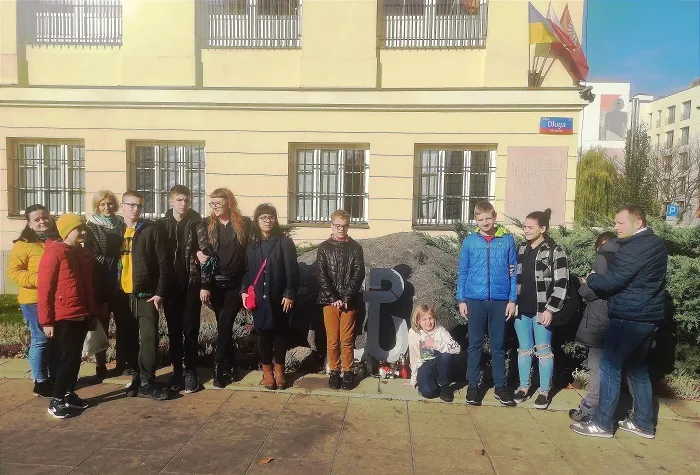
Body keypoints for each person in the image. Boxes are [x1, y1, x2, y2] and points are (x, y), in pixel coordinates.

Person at [571, 206, 668, 439]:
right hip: (649, 317)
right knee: (637, 370)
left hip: (628, 317)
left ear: (638, 222)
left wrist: (591, 278)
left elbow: (611, 282)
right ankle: (643, 423)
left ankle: (602, 423)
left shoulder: (632, 249)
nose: (615, 228)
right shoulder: (657, 244)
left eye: (620, 223)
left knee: (609, 367)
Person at [38, 214, 99, 418]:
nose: (82, 232)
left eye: (84, 228)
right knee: (66, 359)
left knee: (75, 358)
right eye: (77, 228)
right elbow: (45, 290)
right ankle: (56, 400)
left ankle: (68, 394)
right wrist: (47, 321)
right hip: (64, 316)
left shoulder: (82, 254)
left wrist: (92, 313)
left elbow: (89, 287)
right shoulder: (55, 253)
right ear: (66, 231)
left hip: (81, 314)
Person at [457, 201, 517, 407]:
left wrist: (512, 300)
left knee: (498, 346)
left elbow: (514, 273)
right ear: (476, 220)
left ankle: (500, 387)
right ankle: (473, 385)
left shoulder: (507, 240)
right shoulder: (470, 242)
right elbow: (463, 271)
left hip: (500, 301)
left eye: (488, 218)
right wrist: (461, 299)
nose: (485, 222)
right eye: (480, 219)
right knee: (475, 345)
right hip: (475, 300)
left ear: (494, 217)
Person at [514, 209, 570, 410]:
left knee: (544, 351)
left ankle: (544, 391)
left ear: (543, 228)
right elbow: (514, 277)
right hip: (521, 310)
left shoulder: (555, 250)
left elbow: (562, 282)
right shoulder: (521, 249)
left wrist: (551, 309)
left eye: (531, 227)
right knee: (524, 350)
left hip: (542, 310)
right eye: (525, 227)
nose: (526, 230)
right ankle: (523, 387)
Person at [197, 188, 251, 388]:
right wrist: (204, 283)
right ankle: (232, 364)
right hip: (215, 283)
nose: (215, 207)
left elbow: (249, 253)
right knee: (222, 325)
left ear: (229, 202)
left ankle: (218, 367)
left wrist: (247, 285)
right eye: (212, 203)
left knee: (226, 322)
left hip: (235, 283)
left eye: (218, 203)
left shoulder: (244, 224)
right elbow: (201, 251)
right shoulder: (206, 224)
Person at [118, 190, 170, 400]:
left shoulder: (150, 230)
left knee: (149, 337)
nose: (135, 209)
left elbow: (163, 263)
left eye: (139, 205)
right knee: (127, 338)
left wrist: (160, 292)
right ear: (122, 207)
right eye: (131, 205)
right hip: (121, 295)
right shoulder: (115, 231)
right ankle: (136, 377)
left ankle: (147, 381)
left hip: (145, 294)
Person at [241, 204, 299, 390]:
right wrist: (243, 290)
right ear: (257, 221)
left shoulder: (284, 242)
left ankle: (280, 371)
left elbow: (292, 271)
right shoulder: (252, 244)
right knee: (263, 335)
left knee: (280, 334)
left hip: (279, 298)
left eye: (271, 217)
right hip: (259, 298)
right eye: (263, 217)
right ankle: (267, 371)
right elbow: (247, 271)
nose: (268, 221)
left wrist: (289, 293)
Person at [6, 205, 59, 397]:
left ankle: (54, 377)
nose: (42, 221)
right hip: (33, 300)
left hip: (55, 300)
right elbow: (14, 272)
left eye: (45, 217)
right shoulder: (23, 245)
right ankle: (40, 381)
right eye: (36, 219)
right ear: (29, 224)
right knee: (40, 339)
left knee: (54, 340)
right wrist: (41, 280)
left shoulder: (58, 240)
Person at [156, 185, 203, 394]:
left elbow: (206, 250)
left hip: (192, 283)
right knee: (174, 330)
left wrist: (200, 254)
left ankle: (191, 370)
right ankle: (177, 370)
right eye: (179, 200)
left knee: (191, 329)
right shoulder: (161, 225)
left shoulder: (197, 223)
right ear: (171, 201)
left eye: (186, 200)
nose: (183, 204)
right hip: (170, 285)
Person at [569, 231, 619, 422]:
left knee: (596, 366)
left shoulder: (604, 259)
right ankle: (609, 410)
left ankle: (591, 408)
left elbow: (591, 292)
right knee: (615, 369)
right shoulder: (625, 261)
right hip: (617, 320)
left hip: (599, 321)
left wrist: (587, 281)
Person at [315, 210, 365, 391]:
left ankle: (348, 371)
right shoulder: (324, 247)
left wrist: (346, 297)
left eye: (344, 226)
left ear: (348, 226)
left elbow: (358, 274)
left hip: (348, 302)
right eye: (337, 226)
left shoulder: (356, 248)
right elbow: (321, 274)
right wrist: (334, 297)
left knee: (347, 339)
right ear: (332, 226)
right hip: (329, 301)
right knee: (332, 339)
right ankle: (334, 371)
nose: (341, 229)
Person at [85, 190, 126, 381]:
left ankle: (122, 363)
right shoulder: (91, 227)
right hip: (101, 281)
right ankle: (100, 366)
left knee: (124, 325)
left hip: (121, 280)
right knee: (101, 325)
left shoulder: (122, 224)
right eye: (102, 204)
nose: (106, 207)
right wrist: (108, 260)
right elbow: (90, 252)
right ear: (97, 206)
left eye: (109, 203)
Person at [406, 305, 460, 402]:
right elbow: (413, 356)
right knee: (428, 392)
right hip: (425, 364)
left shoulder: (440, 330)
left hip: (440, 364)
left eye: (430, 318)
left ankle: (443, 385)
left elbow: (457, 348)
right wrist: (413, 379)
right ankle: (432, 386)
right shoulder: (413, 333)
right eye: (424, 319)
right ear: (418, 321)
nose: (428, 322)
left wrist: (435, 344)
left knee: (446, 355)